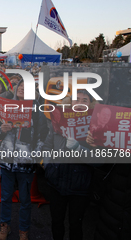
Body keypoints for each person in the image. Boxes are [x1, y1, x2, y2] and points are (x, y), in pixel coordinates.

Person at [0, 79, 48, 240]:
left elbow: (42, 135)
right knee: (5, 196)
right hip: (7, 159)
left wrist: (35, 156)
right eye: (20, 86)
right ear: (16, 89)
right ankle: (5, 226)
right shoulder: (6, 105)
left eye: (26, 87)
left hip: (26, 162)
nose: (22, 89)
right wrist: (1, 130)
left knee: (25, 198)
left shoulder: (36, 109)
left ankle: (24, 229)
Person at [43, 90, 95, 240]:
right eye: (76, 99)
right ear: (70, 102)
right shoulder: (58, 121)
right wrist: (48, 167)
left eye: (84, 100)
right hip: (56, 182)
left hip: (80, 187)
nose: (79, 103)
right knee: (57, 222)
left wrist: (79, 149)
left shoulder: (95, 127)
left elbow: (100, 161)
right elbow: (47, 146)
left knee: (76, 225)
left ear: (90, 104)